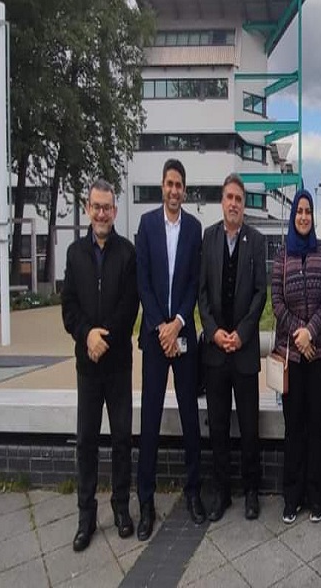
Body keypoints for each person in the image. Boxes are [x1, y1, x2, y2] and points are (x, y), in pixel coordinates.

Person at [61, 179, 139, 552]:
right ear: (88, 208)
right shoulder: (75, 254)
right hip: (87, 367)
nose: (103, 213)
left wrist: (104, 338)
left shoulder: (127, 253)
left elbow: (130, 306)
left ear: (114, 209)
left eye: (108, 207)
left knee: (122, 439)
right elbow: (69, 307)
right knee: (86, 442)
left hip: (118, 364)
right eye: (97, 206)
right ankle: (85, 517)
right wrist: (86, 335)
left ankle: (122, 509)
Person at [135, 158, 204, 539]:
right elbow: (142, 280)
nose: (174, 190)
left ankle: (193, 492)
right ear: (162, 186)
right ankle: (146, 503)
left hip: (182, 334)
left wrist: (178, 321)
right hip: (155, 334)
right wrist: (160, 325)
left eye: (180, 184)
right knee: (150, 420)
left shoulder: (194, 229)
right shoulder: (146, 226)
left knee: (191, 418)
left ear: (185, 189)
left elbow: (194, 282)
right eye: (169, 184)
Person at [199, 173, 267, 521]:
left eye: (239, 198)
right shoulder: (207, 238)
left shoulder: (256, 241)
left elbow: (260, 294)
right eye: (229, 197)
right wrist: (214, 332)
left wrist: (240, 333)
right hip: (214, 352)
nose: (234, 204)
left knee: (250, 427)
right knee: (220, 426)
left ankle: (251, 491)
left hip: (243, 351)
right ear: (221, 201)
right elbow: (201, 295)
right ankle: (222, 492)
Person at [271, 189, 321, 524]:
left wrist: (312, 331)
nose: (304, 216)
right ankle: (291, 496)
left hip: (320, 353)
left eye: (308, 211)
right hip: (291, 358)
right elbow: (276, 303)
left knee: (316, 425)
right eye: (299, 211)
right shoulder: (282, 256)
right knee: (293, 426)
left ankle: (316, 496)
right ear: (293, 215)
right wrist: (299, 333)